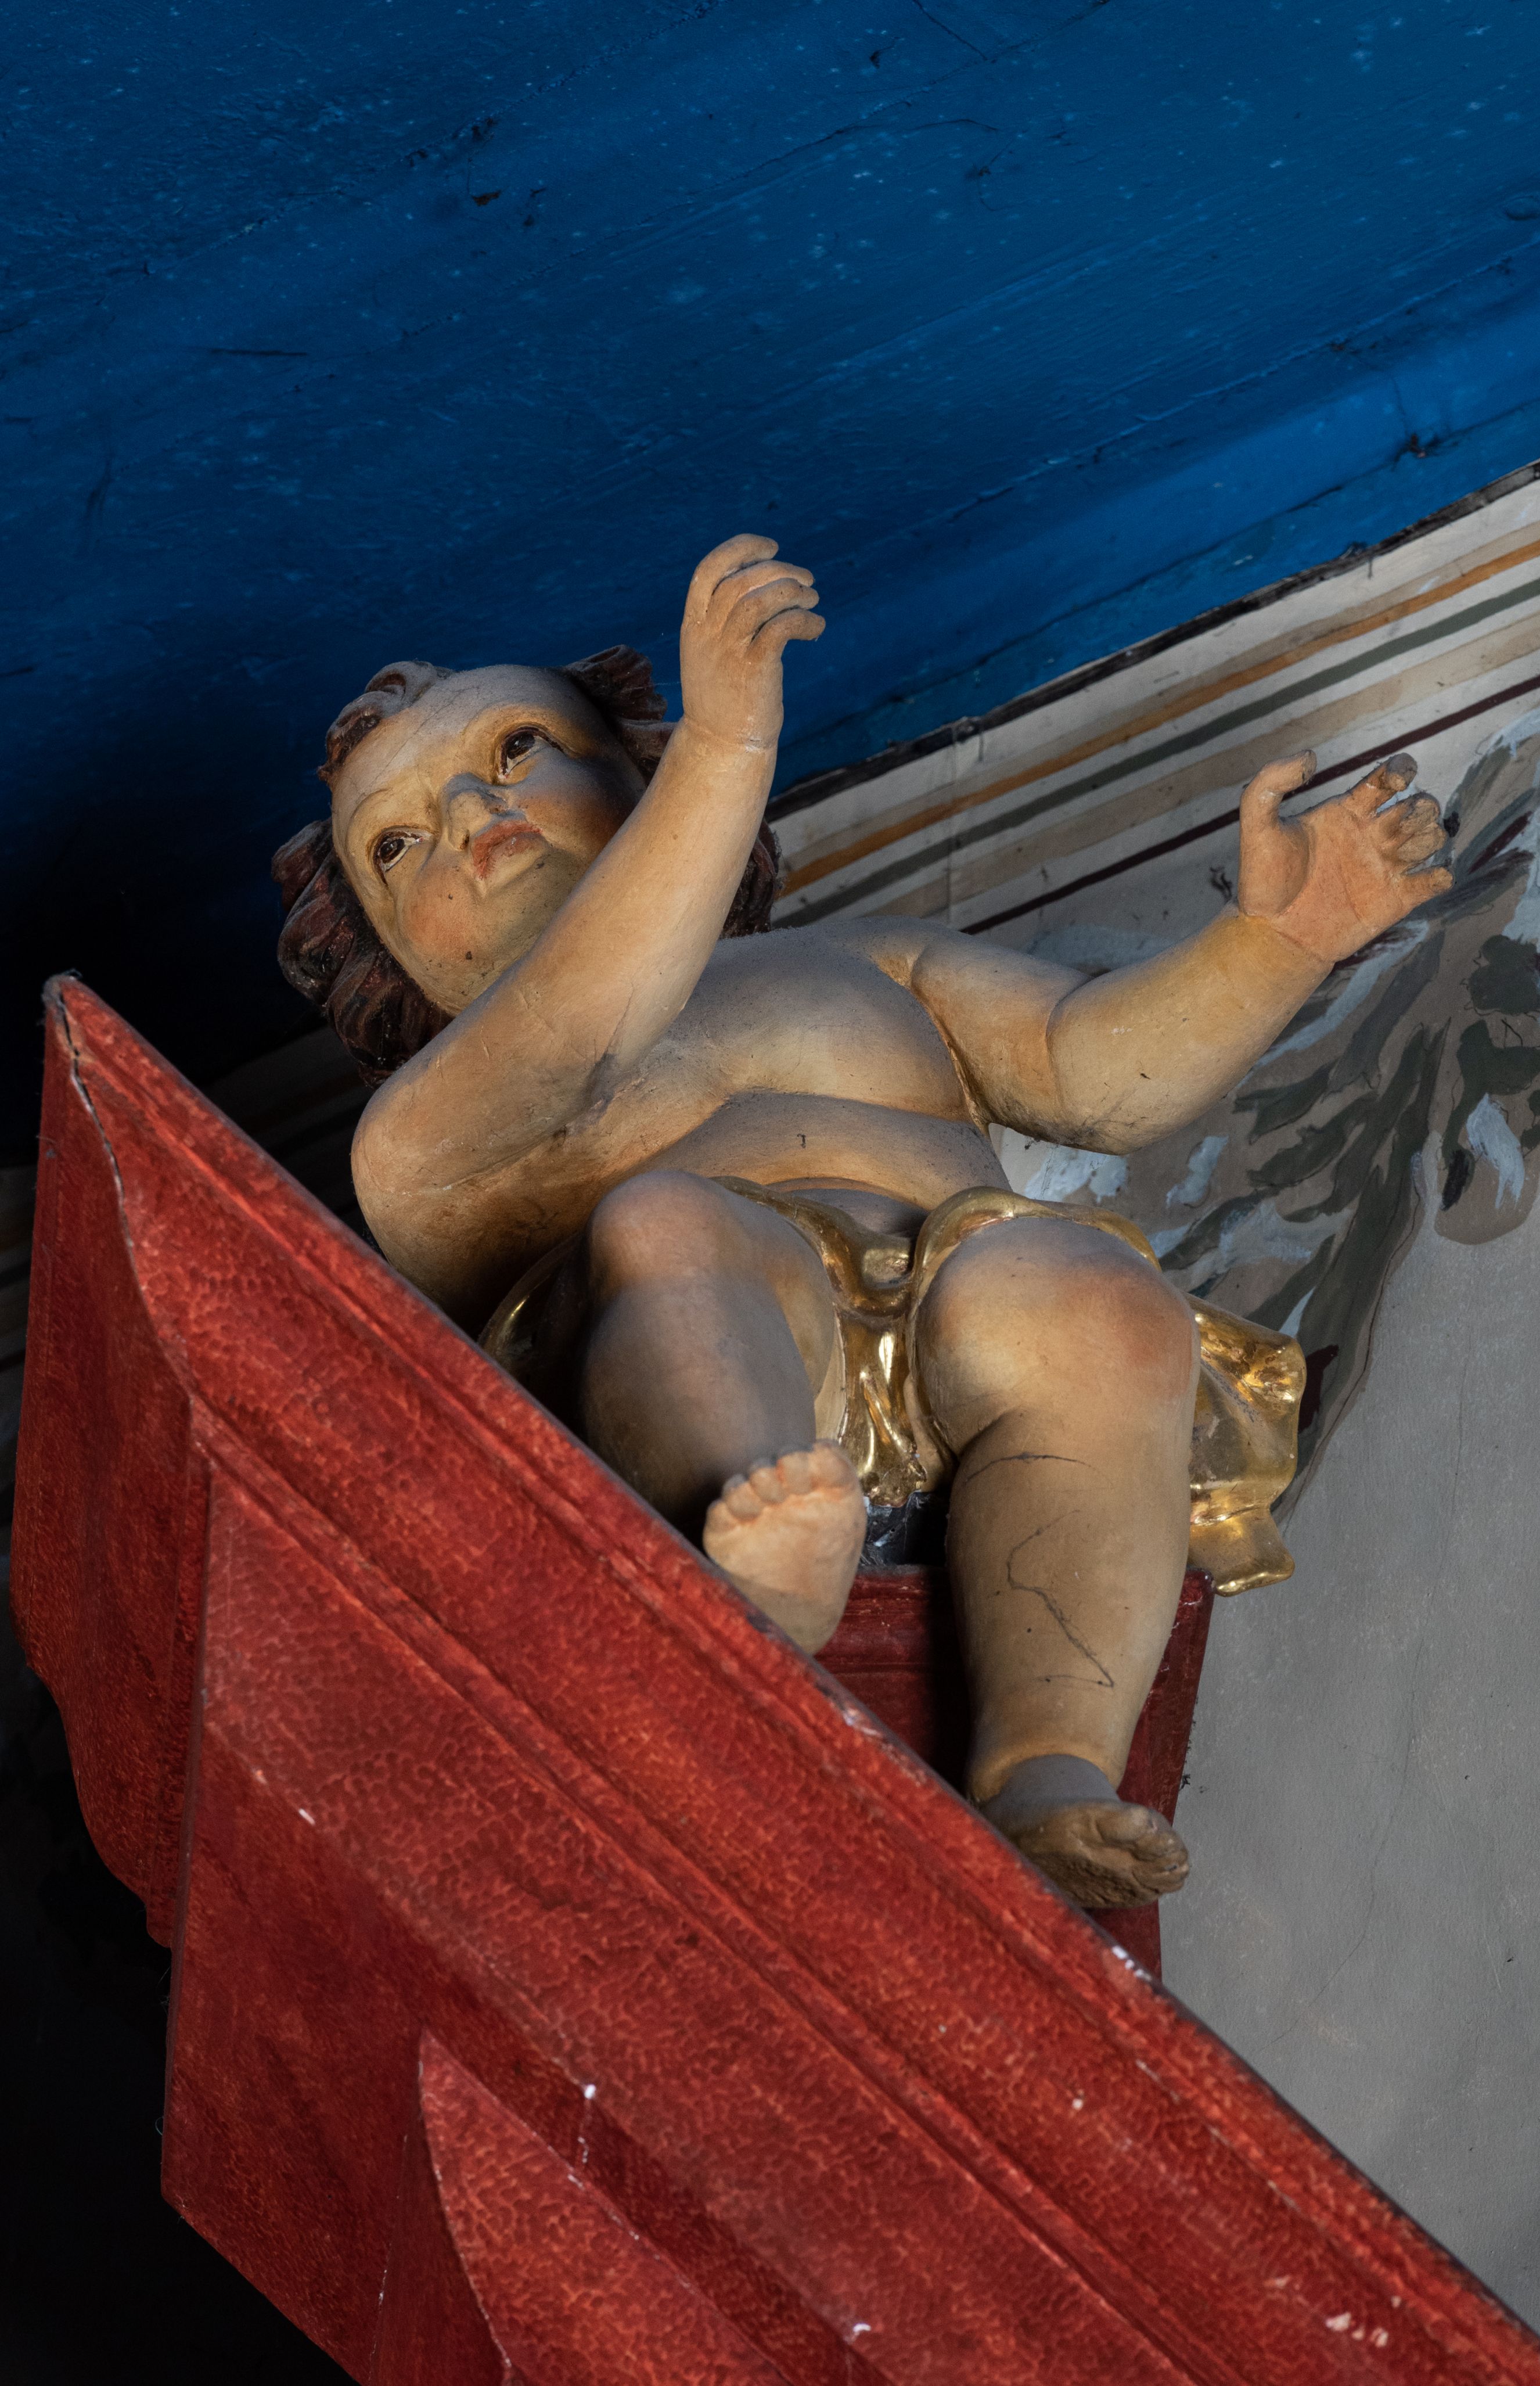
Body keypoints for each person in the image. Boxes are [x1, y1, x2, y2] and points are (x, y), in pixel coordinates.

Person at [273, 534, 1449, 1909]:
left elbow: (1087, 1067)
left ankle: (1051, 1762)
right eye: (397, 843)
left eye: (519, 746)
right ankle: (753, 1585)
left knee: (1096, 1298)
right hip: (730, 1357)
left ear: (630, 778)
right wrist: (727, 747)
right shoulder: (422, 1129)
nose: (474, 806)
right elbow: (586, 1023)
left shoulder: (859, 958)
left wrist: (1275, 943)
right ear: (389, 963)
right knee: (662, 1225)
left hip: (963, 1309)